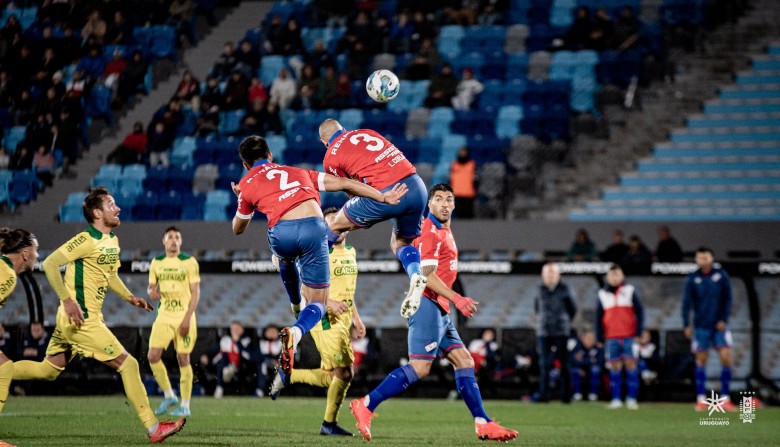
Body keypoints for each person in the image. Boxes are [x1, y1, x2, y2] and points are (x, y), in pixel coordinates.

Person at [11, 187, 186, 443]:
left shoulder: (111, 241)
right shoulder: (85, 240)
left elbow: (110, 275)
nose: (118, 208)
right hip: (81, 320)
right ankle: (153, 427)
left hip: (74, 321)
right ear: (97, 213)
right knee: (129, 364)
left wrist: (130, 297)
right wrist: (68, 300)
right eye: (111, 204)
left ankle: (4, 371)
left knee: (48, 370)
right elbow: (49, 263)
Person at [349, 184, 518, 443]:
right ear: (430, 205)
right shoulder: (430, 231)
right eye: (438, 199)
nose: (444, 203)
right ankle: (367, 404)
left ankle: (483, 423)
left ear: (453, 204)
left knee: (464, 361)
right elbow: (425, 276)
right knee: (420, 367)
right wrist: (457, 298)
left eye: (449, 199)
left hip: (439, 307)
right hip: (427, 304)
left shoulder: (444, 230)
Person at [230, 135, 406, 376]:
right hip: (314, 228)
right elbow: (345, 183)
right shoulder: (300, 172)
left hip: (281, 232)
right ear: (270, 155)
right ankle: (296, 331)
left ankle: (294, 302)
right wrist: (381, 196)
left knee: (284, 257)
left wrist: (241, 198)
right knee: (319, 305)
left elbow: (238, 229)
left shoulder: (246, 183)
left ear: (245, 165)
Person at [318, 119, 429, 319]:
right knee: (401, 243)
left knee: (334, 223)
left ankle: (313, 276)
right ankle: (415, 274)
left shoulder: (330, 157)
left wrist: (362, 212)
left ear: (323, 141)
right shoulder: (366, 131)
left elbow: (350, 187)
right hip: (416, 187)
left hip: (384, 193)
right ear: (344, 129)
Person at [269, 207, 366, 437]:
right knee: (344, 374)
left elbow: (349, 290)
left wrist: (356, 319)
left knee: (335, 375)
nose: (335, 225)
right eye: (329, 222)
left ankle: (289, 375)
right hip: (325, 319)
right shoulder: (319, 252)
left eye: (337, 220)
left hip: (343, 320)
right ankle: (328, 424)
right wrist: (329, 302)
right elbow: (303, 285)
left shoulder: (351, 252)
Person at [147, 226, 201, 418]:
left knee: (183, 358)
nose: (173, 240)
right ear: (163, 241)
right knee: (153, 356)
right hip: (164, 315)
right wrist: (151, 292)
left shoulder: (189, 262)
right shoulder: (156, 262)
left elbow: (196, 292)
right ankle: (169, 395)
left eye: (177, 237)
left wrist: (186, 318)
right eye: (170, 237)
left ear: (181, 241)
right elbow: (151, 288)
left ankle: (185, 405)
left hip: (183, 315)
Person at [683, 247, 737, 412]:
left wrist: (724, 319)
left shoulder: (721, 275)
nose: (703, 260)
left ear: (712, 258)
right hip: (701, 326)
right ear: (696, 260)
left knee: (726, 357)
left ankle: (725, 398)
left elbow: (728, 298)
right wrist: (686, 324)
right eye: (700, 257)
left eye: (706, 257)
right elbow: (686, 303)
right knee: (701, 359)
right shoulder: (693, 278)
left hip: (719, 325)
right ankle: (701, 399)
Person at [0, 228, 39, 420]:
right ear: (25, 254)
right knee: (5, 367)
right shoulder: (7, 274)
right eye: (35, 250)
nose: (37, 255)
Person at [596, 264, 644, 410]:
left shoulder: (630, 291)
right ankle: (616, 399)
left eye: (617, 274)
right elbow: (598, 317)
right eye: (612, 274)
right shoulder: (602, 294)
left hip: (629, 336)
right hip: (611, 337)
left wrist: (638, 333)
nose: (614, 277)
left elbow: (640, 312)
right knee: (614, 367)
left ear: (622, 276)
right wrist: (599, 337)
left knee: (631, 365)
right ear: (607, 277)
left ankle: (632, 399)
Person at [534, 262, 576, 403]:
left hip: (561, 331)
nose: (550, 276)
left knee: (564, 363)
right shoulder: (539, 290)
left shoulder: (565, 289)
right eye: (548, 273)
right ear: (543, 275)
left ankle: (566, 396)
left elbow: (572, 309)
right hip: (544, 331)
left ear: (558, 275)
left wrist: (563, 322)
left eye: (553, 273)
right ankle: (544, 395)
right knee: (544, 364)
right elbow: (537, 309)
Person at [210, 321, 258, 398]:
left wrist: (237, 342)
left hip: (240, 365)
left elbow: (248, 355)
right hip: (223, 363)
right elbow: (214, 350)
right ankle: (220, 386)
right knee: (223, 357)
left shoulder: (247, 340)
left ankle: (229, 370)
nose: (235, 331)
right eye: (233, 329)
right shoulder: (225, 339)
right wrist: (205, 355)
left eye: (238, 329)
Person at [569, 330, 602, 401]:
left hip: (592, 369)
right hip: (580, 369)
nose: (590, 340)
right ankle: (577, 394)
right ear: (583, 338)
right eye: (588, 338)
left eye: (592, 338)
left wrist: (583, 361)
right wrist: (589, 360)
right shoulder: (577, 347)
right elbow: (573, 361)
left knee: (595, 370)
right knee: (575, 370)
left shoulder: (598, 347)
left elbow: (599, 362)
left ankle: (593, 394)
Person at [449, 147, 477, 219]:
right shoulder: (454, 165)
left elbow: (476, 179)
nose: (462, 153)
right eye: (461, 152)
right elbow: (451, 179)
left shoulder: (472, 164)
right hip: (457, 193)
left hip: (468, 193)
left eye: (464, 152)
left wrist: (475, 189)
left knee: (468, 215)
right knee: (459, 215)